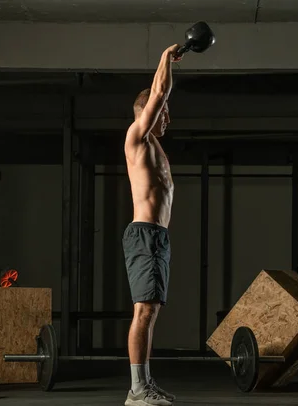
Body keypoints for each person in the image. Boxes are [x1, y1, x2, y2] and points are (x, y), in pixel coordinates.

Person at [122, 44, 181, 406]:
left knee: (151, 312)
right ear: (148, 112)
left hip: (157, 237)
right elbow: (159, 91)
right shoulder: (137, 138)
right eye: (164, 114)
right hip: (144, 235)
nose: (168, 120)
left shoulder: (156, 148)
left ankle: (145, 382)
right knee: (143, 311)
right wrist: (166, 57)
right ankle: (136, 390)